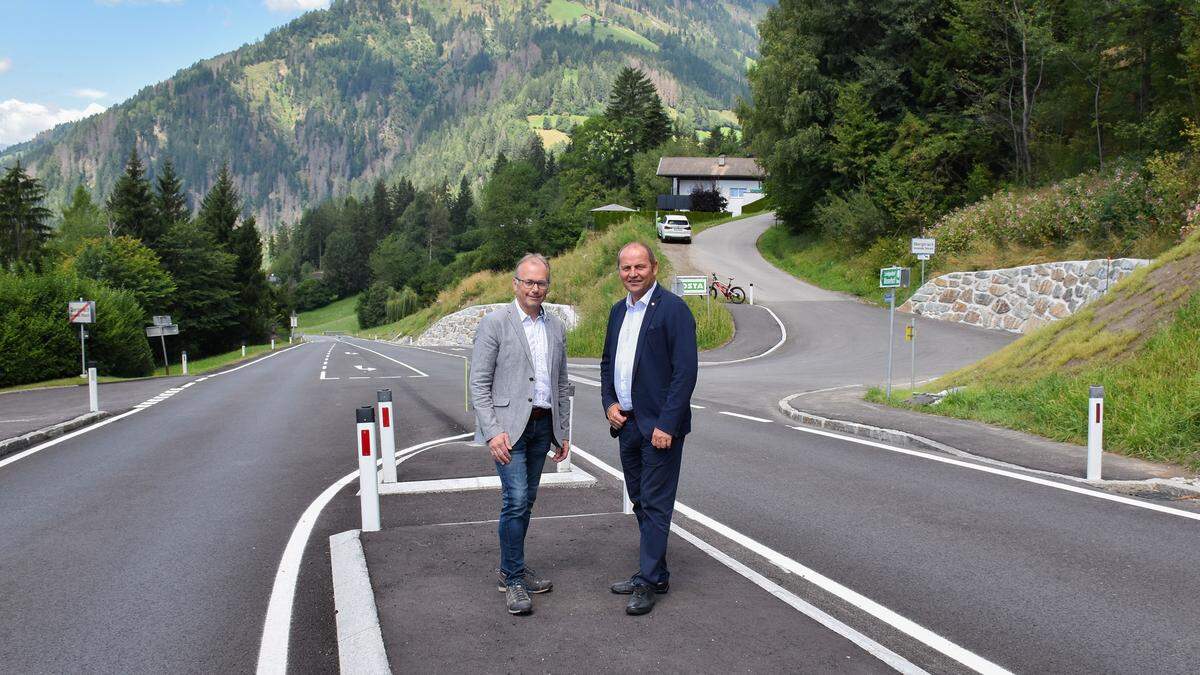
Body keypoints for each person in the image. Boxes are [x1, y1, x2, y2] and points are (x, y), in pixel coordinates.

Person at [600, 241, 698, 615]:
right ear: (619, 271)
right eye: (626, 268)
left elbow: (684, 373)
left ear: (654, 268)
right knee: (640, 500)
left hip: (660, 430)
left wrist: (667, 424)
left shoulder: (673, 310)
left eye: (640, 267)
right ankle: (655, 572)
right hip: (627, 425)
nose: (633, 274)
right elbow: (609, 362)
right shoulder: (616, 312)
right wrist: (608, 402)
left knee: (655, 504)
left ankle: (648, 579)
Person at [470, 253, 571, 615]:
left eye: (541, 282)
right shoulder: (495, 323)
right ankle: (512, 578)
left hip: (543, 426)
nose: (535, 288)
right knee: (515, 499)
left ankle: (512, 567)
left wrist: (563, 431)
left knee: (526, 501)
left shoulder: (556, 327)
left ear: (548, 285)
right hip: (508, 429)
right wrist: (492, 432)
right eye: (528, 281)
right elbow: (479, 384)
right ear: (515, 284)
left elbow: (561, 383)